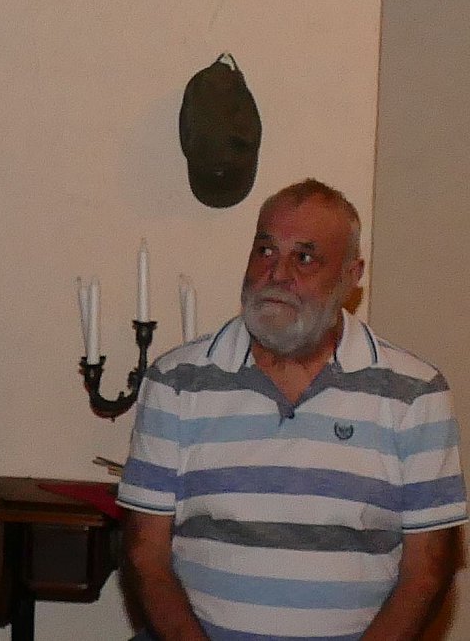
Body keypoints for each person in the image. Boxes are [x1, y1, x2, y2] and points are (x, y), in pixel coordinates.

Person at [119, 180, 465, 640]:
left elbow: (427, 571)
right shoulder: (176, 381)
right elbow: (145, 557)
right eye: (265, 251)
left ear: (351, 276)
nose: (276, 274)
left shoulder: (415, 394)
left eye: (304, 258)